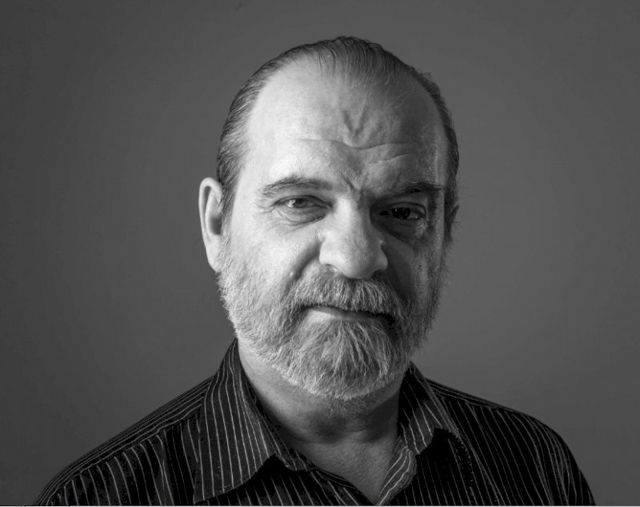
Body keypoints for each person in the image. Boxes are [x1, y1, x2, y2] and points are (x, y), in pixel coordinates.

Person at [36, 36, 594, 506]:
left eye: (402, 212)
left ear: (444, 232)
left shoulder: (536, 470)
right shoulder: (97, 499)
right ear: (216, 225)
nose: (355, 259)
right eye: (301, 203)